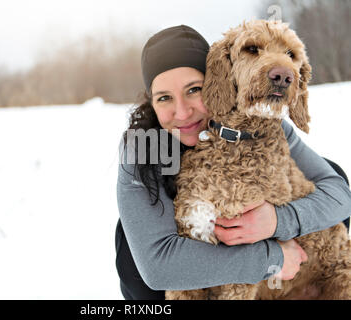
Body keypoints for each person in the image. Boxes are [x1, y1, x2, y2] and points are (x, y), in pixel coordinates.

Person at [115, 25, 351, 300]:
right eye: (164, 98)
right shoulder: (144, 148)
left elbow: (340, 195)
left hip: (269, 267)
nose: (182, 112)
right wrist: (271, 258)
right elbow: (157, 268)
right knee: (132, 238)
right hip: (168, 275)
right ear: (152, 103)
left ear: (221, 80)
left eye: (194, 90)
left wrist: (278, 221)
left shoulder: (261, 127)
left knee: (330, 173)